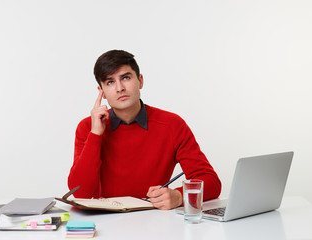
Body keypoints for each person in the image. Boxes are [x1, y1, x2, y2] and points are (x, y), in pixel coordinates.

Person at [68, 50, 221, 210]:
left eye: (125, 78)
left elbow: (211, 182)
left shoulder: (172, 124)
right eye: (110, 82)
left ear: (140, 81)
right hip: (106, 223)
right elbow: (81, 193)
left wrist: (179, 196)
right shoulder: (88, 127)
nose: (119, 88)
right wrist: (95, 135)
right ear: (102, 92)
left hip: (156, 221)